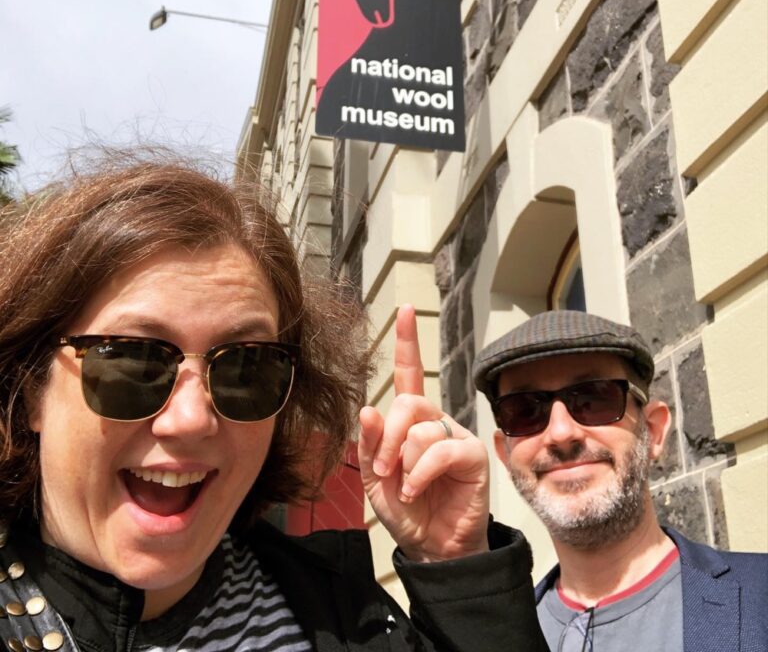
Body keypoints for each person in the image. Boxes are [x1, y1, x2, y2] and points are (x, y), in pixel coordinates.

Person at [0, 152, 546, 652]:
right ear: (32, 394)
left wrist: (459, 572)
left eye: (246, 368)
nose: (191, 420)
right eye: (134, 363)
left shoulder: (345, 615)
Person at [472, 309, 768, 652]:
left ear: (654, 432)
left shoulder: (760, 598)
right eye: (525, 410)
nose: (561, 432)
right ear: (505, 455)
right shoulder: (500, 639)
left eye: (594, 398)